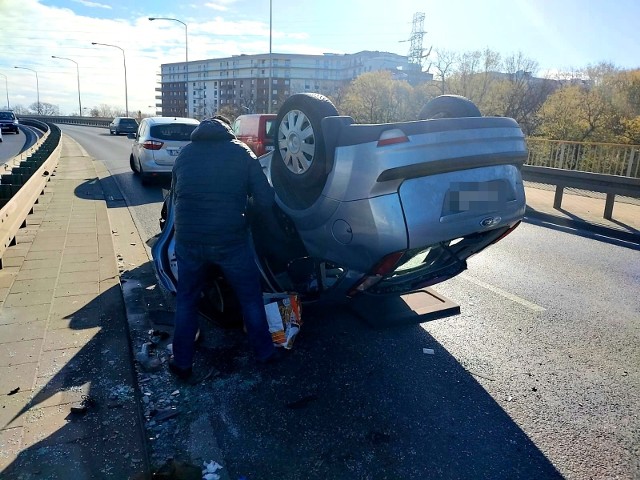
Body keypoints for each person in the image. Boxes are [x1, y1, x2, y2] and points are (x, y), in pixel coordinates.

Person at [168, 115, 283, 379]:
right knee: (250, 297)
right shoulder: (241, 152)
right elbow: (265, 200)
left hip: (189, 241)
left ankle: (182, 364)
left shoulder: (185, 155)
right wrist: (247, 212)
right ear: (228, 130)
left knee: (187, 300)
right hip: (229, 241)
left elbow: (175, 197)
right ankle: (265, 353)